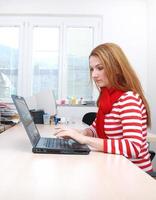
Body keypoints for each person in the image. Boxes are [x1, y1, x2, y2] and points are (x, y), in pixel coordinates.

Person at [55, 43, 153, 172]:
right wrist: (79, 134)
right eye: (92, 69)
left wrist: (84, 139)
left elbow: (132, 148)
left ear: (117, 68)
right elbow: (96, 128)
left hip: (134, 175)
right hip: (115, 167)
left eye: (99, 68)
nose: (94, 75)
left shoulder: (128, 99)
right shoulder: (106, 96)